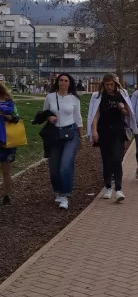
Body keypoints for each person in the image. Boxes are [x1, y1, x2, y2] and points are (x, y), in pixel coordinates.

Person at [87, 74, 137, 202]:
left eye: (111, 85)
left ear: (115, 84)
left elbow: (128, 112)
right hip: (104, 131)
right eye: (107, 85)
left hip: (118, 130)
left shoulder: (122, 94)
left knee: (117, 159)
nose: (109, 87)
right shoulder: (98, 96)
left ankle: (119, 189)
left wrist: (122, 107)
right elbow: (95, 115)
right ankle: (108, 186)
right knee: (106, 160)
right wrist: (94, 131)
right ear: (103, 85)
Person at [44, 73, 83, 210]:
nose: (63, 83)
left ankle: (65, 195)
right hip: (55, 133)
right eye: (61, 80)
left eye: (66, 81)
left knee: (66, 164)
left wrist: (81, 136)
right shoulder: (50, 97)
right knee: (54, 166)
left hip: (70, 133)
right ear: (57, 82)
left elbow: (78, 118)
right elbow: (45, 113)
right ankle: (58, 190)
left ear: (69, 83)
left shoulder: (74, 99)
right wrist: (49, 118)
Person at [0, 83, 20, 205]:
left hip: (8, 141)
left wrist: (3, 115)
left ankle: (7, 195)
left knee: (7, 171)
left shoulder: (9, 102)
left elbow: (16, 118)